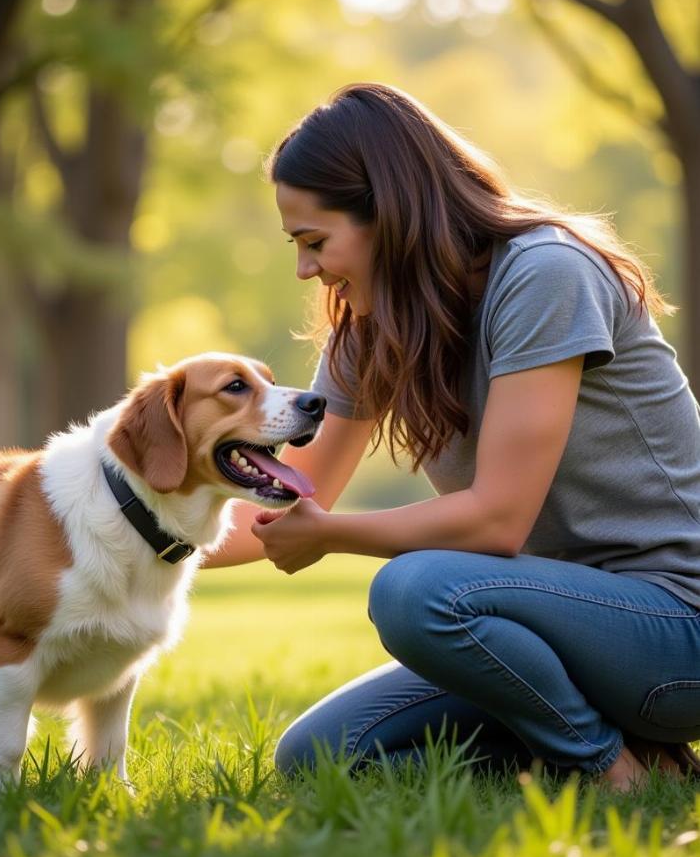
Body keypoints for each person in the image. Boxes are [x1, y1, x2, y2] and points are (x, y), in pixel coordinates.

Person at [203, 82, 700, 791]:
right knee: (319, 757)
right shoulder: (373, 326)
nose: (306, 269)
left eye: (316, 241)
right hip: (545, 632)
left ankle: (610, 769)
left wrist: (333, 535)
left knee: (415, 590)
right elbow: (282, 509)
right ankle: (632, 757)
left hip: (676, 633)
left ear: (393, 215)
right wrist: (101, 533)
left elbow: (498, 521)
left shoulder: (546, 273)